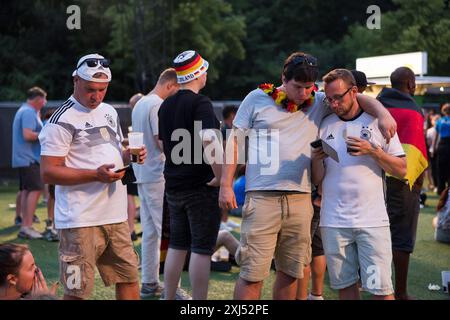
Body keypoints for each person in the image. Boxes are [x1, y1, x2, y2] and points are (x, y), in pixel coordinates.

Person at [219, 51, 397, 300]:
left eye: (309, 87)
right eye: (298, 87)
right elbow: (234, 141)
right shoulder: (256, 98)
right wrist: (226, 184)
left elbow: (356, 98)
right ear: (283, 77)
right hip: (261, 197)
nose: (304, 93)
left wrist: (383, 113)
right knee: (252, 272)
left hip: (301, 199)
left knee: (291, 271)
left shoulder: (319, 101)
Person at [39, 53, 146, 300]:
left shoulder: (108, 111)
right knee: (77, 291)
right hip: (79, 221)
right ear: (75, 79)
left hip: (117, 217)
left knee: (129, 278)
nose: (96, 96)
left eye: (102, 89)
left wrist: (128, 155)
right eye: (90, 89)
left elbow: (114, 149)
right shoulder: (60, 119)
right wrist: (95, 175)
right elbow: (48, 171)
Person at [314, 68, 406, 300]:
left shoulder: (378, 123)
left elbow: (402, 170)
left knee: (380, 290)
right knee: (345, 288)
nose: (334, 104)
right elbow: (318, 179)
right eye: (329, 99)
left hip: (371, 222)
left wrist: (374, 152)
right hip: (333, 222)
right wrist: (316, 161)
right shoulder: (324, 124)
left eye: (338, 97)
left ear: (354, 91)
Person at [158, 50, 222, 300]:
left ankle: (168, 296)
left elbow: (165, 145)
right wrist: (220, 177)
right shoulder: (200, 103)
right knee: (202, 249)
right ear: (198, 74)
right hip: (200, 185)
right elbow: (209, 139)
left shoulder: (166, 105)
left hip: (174, 184)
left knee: (177, 244)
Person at [377, 66, 428, 300]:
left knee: (375, 232)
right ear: (410, 84)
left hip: (373, 178)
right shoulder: (413, 111)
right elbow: (416, 153)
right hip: (401, 181)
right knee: (401, 236)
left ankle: (370, 283)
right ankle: (401, 292)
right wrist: (417, 183)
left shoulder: (376, 105)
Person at [131, 68, 179, 298]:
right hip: (156, 173)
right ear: (170, 85)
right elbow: (162, 142)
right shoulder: (157, 105)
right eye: (176, 90)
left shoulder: (141, 102)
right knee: (167, 232)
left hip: (142, 172)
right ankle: (170, 288)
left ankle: (149, 282)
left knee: (151, 231)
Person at [12, 86, 47, 239]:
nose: (45, 102)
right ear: (38, 99)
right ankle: (27, 226)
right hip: (29, 158)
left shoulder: (24, 110)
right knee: (35, 190)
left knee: (27, 191)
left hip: (25, 158)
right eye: (44, 99)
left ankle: (25, 226)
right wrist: (47, 134)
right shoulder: (28, 112)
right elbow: (28, 135)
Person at [296, 188, 326, 300]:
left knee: (301, 249)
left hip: (311, 197)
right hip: (319, 198)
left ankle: (301, 297)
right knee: (317, 249)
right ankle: (316, 296)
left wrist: (319, 194)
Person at [127, 93, 144, 241]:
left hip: (139, 163)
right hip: (142, 163)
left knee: (129, 197)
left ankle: (131, 228)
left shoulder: (139, 118)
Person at [435, 103, 450, 194]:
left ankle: (441, 189)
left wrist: (434, 147)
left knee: (440, 168)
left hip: (442, 144)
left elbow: (437, 135)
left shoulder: (439, 121)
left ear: (443, 111)